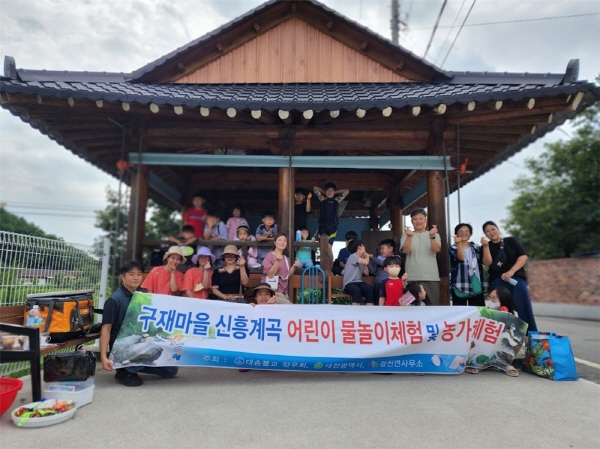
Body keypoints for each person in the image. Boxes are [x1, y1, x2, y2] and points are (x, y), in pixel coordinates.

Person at [100, 261, 178, 387]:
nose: (136, 278)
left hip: (141, 341)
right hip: (123, 346)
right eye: (131, 274)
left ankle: (132, 367)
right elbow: (106, 330)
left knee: (170, 370)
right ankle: (123, 370)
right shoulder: (114, 300)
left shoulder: (145, 295)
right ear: (122, 277)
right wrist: (104, 357)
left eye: (139, 274)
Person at [481, 220, 537, 332]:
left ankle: (530, 337)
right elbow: (487, 263)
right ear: (485, 234)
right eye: (487, 231)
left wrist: (511, 271)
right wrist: (486, 246)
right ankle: (499, 336)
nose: (491, 232)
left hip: (516, 279)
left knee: (523, 308)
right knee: (498, 310)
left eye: (493, 229)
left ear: (498, 229)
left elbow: (523, 256)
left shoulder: (511, 241)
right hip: (497, 281)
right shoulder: (485, 247)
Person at [466, 286, 520, 377]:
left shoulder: (512, 314)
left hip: (500, 346)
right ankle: (478, 364)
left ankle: (505, 365)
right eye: (489, 297)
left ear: (503, 299)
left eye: (494, 298)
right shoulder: (484, 310)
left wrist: (508, 318)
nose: (491, 300)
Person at [400, 208, 441, 305]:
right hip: (411, 277)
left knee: (433, 307)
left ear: (425, 220)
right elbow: (405, 251)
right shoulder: (406, 235)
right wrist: (410, 237)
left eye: (421, 218)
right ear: (411, 221)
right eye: (415, 219)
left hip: (431, 277)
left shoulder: (434, 234)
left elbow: (437, 250)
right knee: (408, 307)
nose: (418, 221)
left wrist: (432, 236)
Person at [449, 223, 487, 307]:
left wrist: (485, 246)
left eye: (467, 231)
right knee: (459, 313)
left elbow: (485, 262)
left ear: (470, 234)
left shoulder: (476, 247)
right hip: (460, 284)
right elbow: (461, 258)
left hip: (476, 283)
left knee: (478, 312)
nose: (464, 233)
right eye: (461, 231)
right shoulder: (453, 248)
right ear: (456, 233)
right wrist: (459, 244)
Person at [313, 182, 350, 267]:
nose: (330, 192)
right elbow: (315, 187)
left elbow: (346, 191)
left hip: (333, 228)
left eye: (332, 190)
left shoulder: (337, 200)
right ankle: (323, 268)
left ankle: (330, 268)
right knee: (322, 248)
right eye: (328, 190)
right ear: (325, 192)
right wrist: (324, 192)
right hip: (322, 227)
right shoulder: (322, 199)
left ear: (334, 192)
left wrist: (335, 192)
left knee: (329, 248)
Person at [261, 233, 300, 304]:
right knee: (290, 307)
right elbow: (270, 275)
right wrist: (277, 261)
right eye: (280, 240)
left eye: (284, 241)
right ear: (275, 242)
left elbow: (287, 276)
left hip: (284, 293)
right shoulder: (269, 256)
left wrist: (294, 267)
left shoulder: (286, 258)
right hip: (272, 292)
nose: (282, 242)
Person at [369, 239, 402, 304]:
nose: (381, 251)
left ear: (391, 248)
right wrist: (367, 261)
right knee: (377, 303)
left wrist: (372, 257)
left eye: (383, 248)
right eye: (380, 249)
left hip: (391, 284)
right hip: (378, 283)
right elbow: (372, 271)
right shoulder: (378, 258)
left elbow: (384, 263)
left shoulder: (396, 258)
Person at [343, 240, 374, 306]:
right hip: (349, 284)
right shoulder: (353, 256)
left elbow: (366, 273)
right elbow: (366, 262)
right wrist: (367, 256)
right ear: (359, 247)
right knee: (357, 291)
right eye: (363, 246)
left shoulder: (360, 260)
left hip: (359, 282)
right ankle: (355, 312)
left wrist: (364, 260)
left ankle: (369, 310)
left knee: (369, 289)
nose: (364, 248)